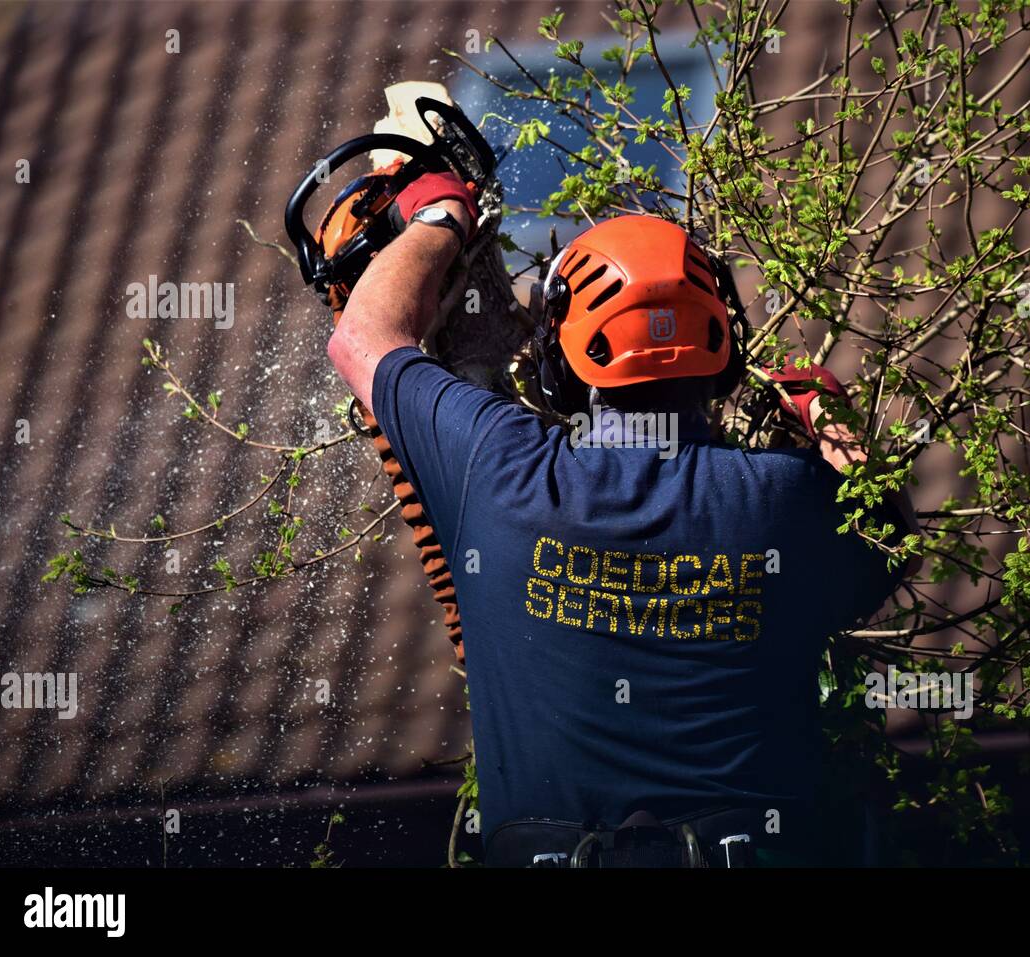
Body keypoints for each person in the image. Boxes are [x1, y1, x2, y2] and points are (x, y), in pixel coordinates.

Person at [325, 172, 917, 867]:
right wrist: (828, 412)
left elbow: (361, 337)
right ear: (722, 344)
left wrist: (440, 213)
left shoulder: (498, 465)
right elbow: (888, 529)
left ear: (563, 360)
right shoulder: (785, 501)